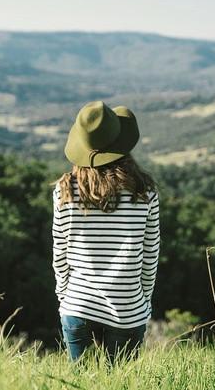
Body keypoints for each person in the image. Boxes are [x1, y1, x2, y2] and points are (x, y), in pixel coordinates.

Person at [51, 100, 160, 364]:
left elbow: (60, 253)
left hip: (78, 304)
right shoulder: (144, 192)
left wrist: (65, 296)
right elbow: (149, 257)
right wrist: (142, 301)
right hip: (127, 309)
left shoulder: (65, 191)